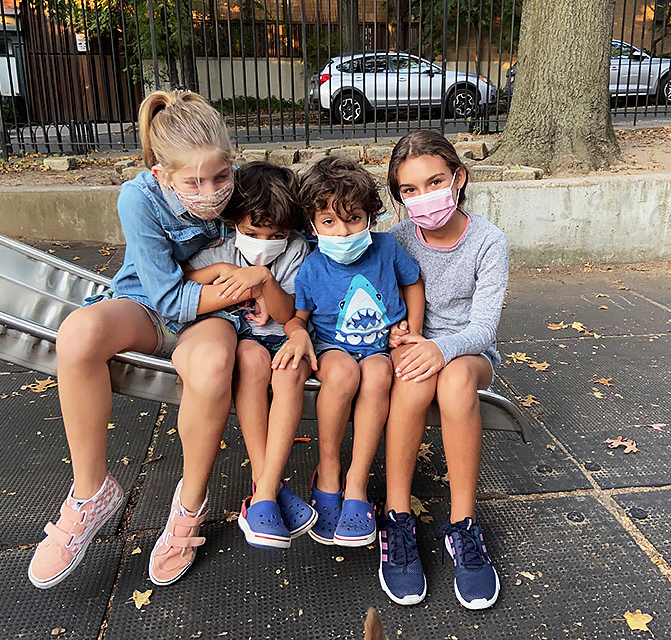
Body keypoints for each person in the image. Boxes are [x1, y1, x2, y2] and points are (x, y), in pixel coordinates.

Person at [28, 90, 249, 589]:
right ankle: (91, 491)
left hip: (214, 317)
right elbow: (167, 301)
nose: (212, 190)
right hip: (150, 306)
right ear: (161, 175)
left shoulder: (245, 189)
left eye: (220, 176)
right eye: (193, 181)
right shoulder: (139, 197)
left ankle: (189, 503)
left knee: (213, 365)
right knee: (79, 332)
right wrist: (241, 278)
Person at [378, 130, 508, 610]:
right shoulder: (394, 240)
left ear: (458, 178)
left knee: (453, 381)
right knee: (414, 381)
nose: (423, 197)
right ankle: (397, 518)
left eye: (434, 182)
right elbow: (379, 302)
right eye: (409, 190)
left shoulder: (488, 242)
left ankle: (463, 526)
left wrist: (440, 348)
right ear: (398, 198)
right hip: (412, 349)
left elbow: (484, 328)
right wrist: (393, 332)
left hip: (469, 354)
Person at [274, 156, 424, 547]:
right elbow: (298, 316)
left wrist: (414, 330)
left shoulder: (387, 248)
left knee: (377, 375)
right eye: (329, 223)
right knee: (342, 375)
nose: (342, 232)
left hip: (379, 349)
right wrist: (295, 333)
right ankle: (328, 471)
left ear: (371, 216)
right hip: (332, 347)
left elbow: (412, 283)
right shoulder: (311, 268)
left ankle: (357, 483)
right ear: (313, 225)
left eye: (354, 219)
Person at [182, 161, 316, 549]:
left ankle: (264, 492)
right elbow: (187, 276)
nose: (263, 241)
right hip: (247, 342)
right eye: (252, 232)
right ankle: (267, 488)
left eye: (275, 234)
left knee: (289, 371)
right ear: (235, 221)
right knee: (252, 361)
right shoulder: (223, 247)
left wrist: (263, 279)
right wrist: (226, 271)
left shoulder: (294, 251)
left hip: (287, 336)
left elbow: (289, 313)